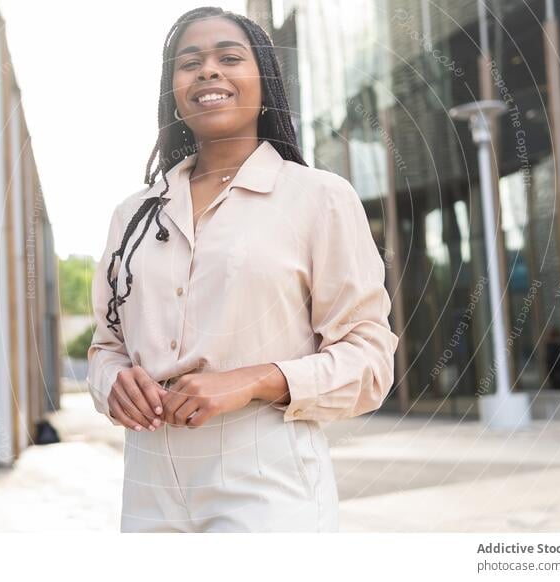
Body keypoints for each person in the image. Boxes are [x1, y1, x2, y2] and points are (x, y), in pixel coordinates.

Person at [87, 6, 399, 532]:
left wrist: (256, 379)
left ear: (265, 82)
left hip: (265, 479)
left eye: (229, 58)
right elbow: (106, 346)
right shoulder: (134, 215)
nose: (208, 71)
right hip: (146, 484)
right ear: (173, 88)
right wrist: (112, 382)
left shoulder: (318, 198)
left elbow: (369, 359)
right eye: (190, 63)